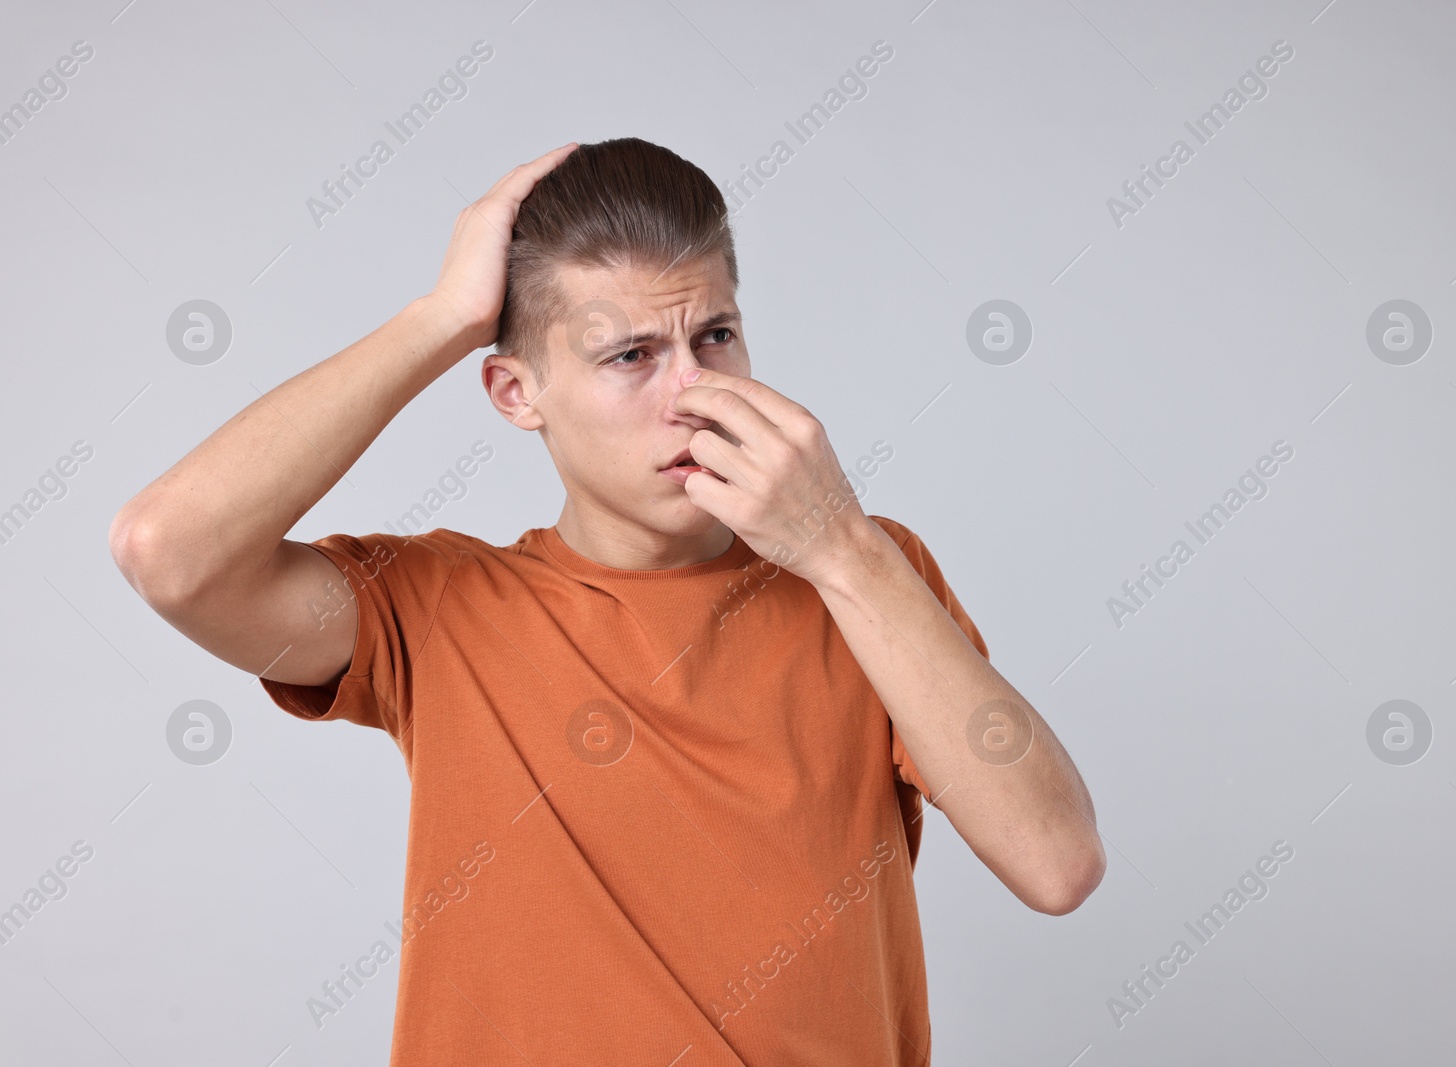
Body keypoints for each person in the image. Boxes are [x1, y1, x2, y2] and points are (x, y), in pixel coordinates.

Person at [109, 137, 1105, 1065]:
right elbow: (170, 551)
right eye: (630, 355)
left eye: (715, 336)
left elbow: (1056, 862)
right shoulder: (439, 604)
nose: (691, 390)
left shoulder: (868, 576)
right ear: (514, 392)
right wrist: (440, 319)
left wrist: (840, 546)